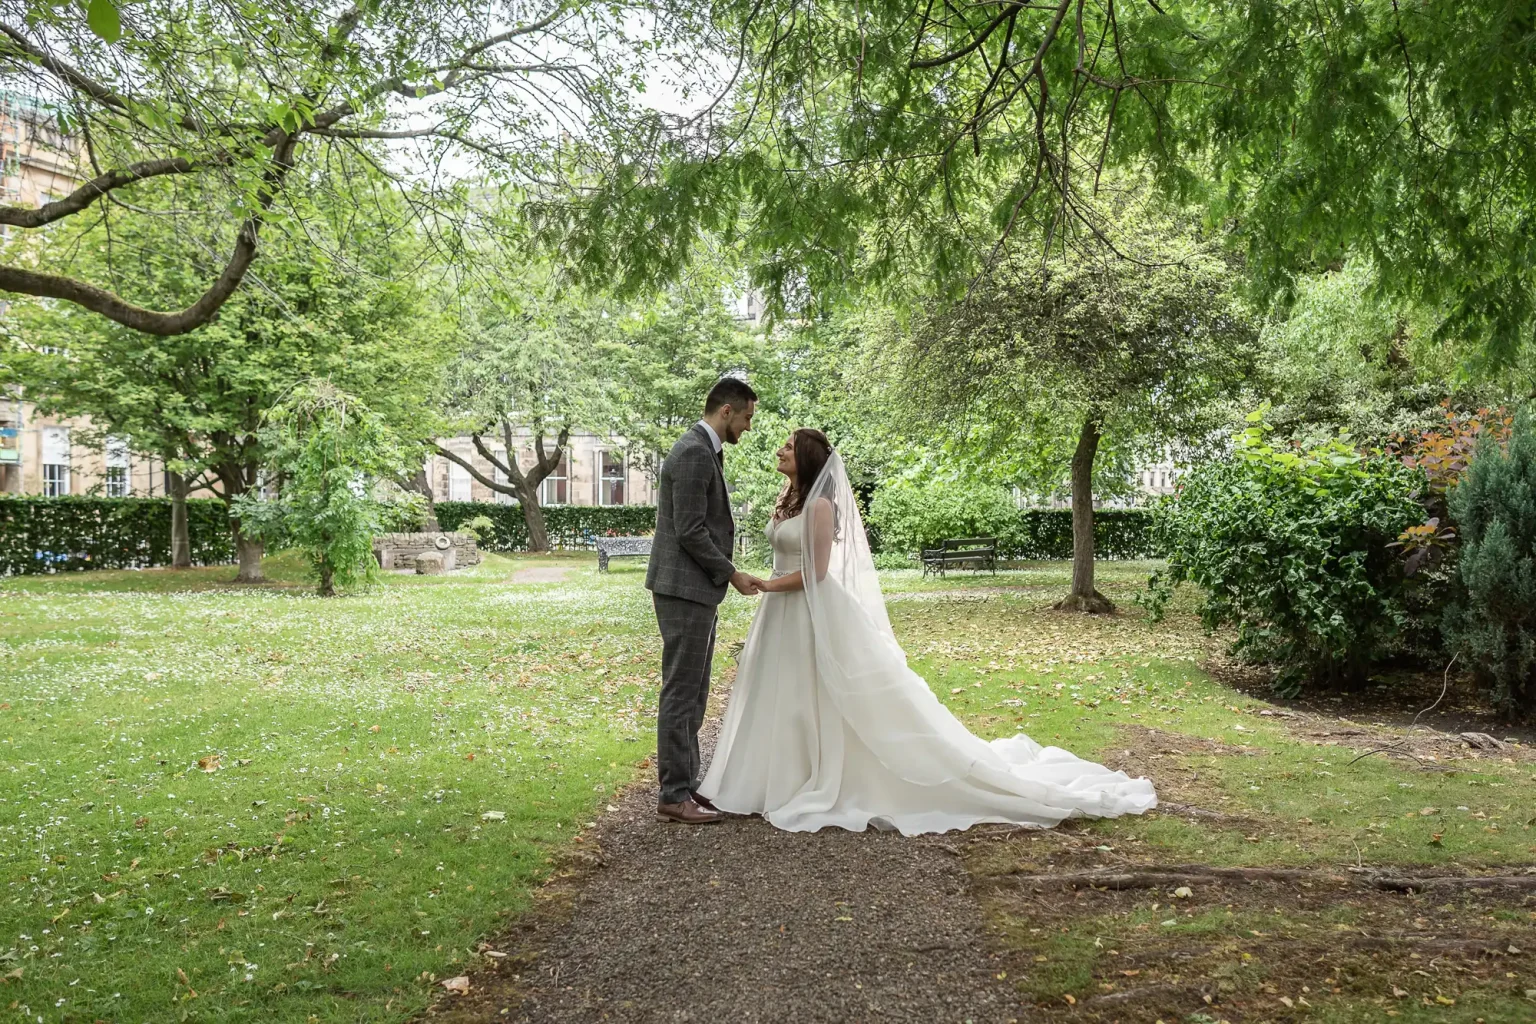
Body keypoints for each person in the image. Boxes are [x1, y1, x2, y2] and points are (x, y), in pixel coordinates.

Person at [696, 428, 1158, 835]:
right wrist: (769, 585)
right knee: (779, 694)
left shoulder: (818, 506)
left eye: (789, 446)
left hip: (808, 609)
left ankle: (816, 776)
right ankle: (766, 779)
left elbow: (815, 574)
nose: (780, 449)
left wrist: (767, 585)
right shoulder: (788, 499)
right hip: (779, 613)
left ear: (808, 459)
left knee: (815, 695)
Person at [645, 377, 765, 825]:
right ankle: (673, 795)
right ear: (728, 411)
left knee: (693, 691)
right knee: (682, 691)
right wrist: (731, 574)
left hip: (692, 589)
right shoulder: (695, 452)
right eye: (748, 417)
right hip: (684, 589)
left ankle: (685, 786)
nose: (749, 427)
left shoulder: (702, 448)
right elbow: (690, 530)